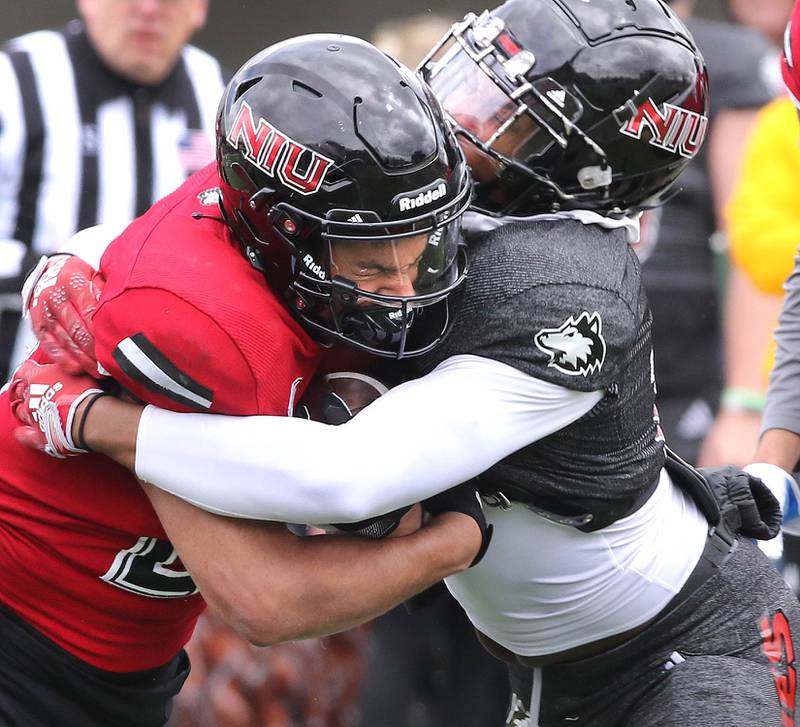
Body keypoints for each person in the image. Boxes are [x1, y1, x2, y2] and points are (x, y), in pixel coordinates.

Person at [16, 2, 799, 725]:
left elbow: (346, 475)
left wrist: (97, 419)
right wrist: (74, 263)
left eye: (507, 119)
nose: (459, 118)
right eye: (472, 81)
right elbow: (215, 211)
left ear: (590, 166)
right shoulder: (433, 200)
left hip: (684, 647)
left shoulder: (563, 287)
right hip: (549, 658)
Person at [0, 34, 488, 727]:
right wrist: (461, 539)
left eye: (421, 248)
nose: (405, 289)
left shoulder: (259, 218)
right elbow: (268, 598)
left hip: (117, 657)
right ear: (283, 231)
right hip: (31, 646)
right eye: (371, 262)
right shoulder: (206, 333)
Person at [0, 0, 224, 382]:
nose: (149, 9)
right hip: (15, 381)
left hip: (152, 404)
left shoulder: (222, 95)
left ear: (199, 8)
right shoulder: (13, 81)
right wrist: (45, 277)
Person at [635, 0, 782, 468]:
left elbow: (751, 245)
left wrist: (745, 404)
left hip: (688, 372)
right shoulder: (549, 44)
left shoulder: (725, 59)